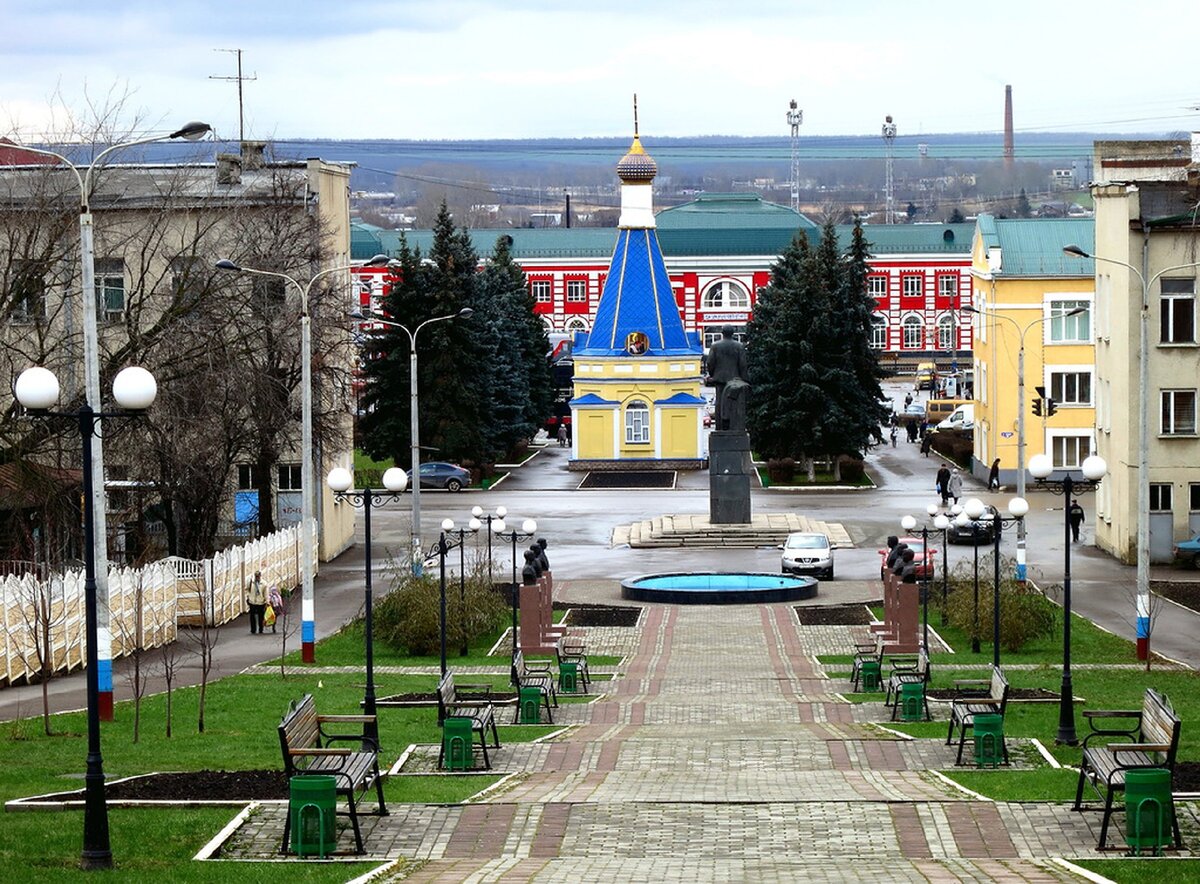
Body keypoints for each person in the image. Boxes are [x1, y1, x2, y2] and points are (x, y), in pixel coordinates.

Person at [706, 325, 749, 431]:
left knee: (720, 404)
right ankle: (734, 428)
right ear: (733, 333)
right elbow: (743, 364)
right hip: (735, 381)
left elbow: (710, 363)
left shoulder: (715, 346)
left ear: (722, 333)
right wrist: (745, 379)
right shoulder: (739, 346)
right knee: (734, 405)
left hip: (720, 380)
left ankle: (720, 428)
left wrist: (712, 375)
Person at [246, 569, 267, 635]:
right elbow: (247, 589)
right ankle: (253, 629)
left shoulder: (264, 583)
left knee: (261, 616)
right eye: (256, 576)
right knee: (252, 616)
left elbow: (265, 593)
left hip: (261, 602)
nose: (257, 577)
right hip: (252, 601)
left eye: (258, 576)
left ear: (260, 576)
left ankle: (261, 629)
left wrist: (267, 601)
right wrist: (248, 596)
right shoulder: (251, 582)